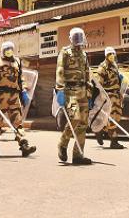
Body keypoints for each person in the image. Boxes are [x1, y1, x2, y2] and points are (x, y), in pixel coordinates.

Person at [0, 41, 36, 158]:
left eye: (11, 48)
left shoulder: (17, 62)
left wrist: (24, 91)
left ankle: (24, 145)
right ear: (3, 50)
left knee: (18, 121)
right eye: (7, 49)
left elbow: (21, 78)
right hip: (0, 96)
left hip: (14, 96)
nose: (9, 50)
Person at [56, 27, 92, 165]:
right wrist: (60, 90)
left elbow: (87, 73)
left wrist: (89, 92)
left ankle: (78, 155)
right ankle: (62, 143)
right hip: (70, 91)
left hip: (82, 90)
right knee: (75, 118)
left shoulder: (84, 55)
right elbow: (60, 71)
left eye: (80, 37)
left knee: (83, 123)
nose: (78, 40)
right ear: (71, 38)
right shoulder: (65, 52)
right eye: (76, 37)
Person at [93, 46, 124, 149]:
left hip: (116, 95)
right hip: (108, 96)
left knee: (116, 117)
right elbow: (98, 85)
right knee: (111, 118)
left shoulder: (115, 66)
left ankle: (99, 130)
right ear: (106, 56)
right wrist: (101, 98)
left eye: (113, 54)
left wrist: (120, 92)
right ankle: (114, 141)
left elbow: (117, 82)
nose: (112, 56)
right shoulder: (102, 67)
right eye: (110, 54)